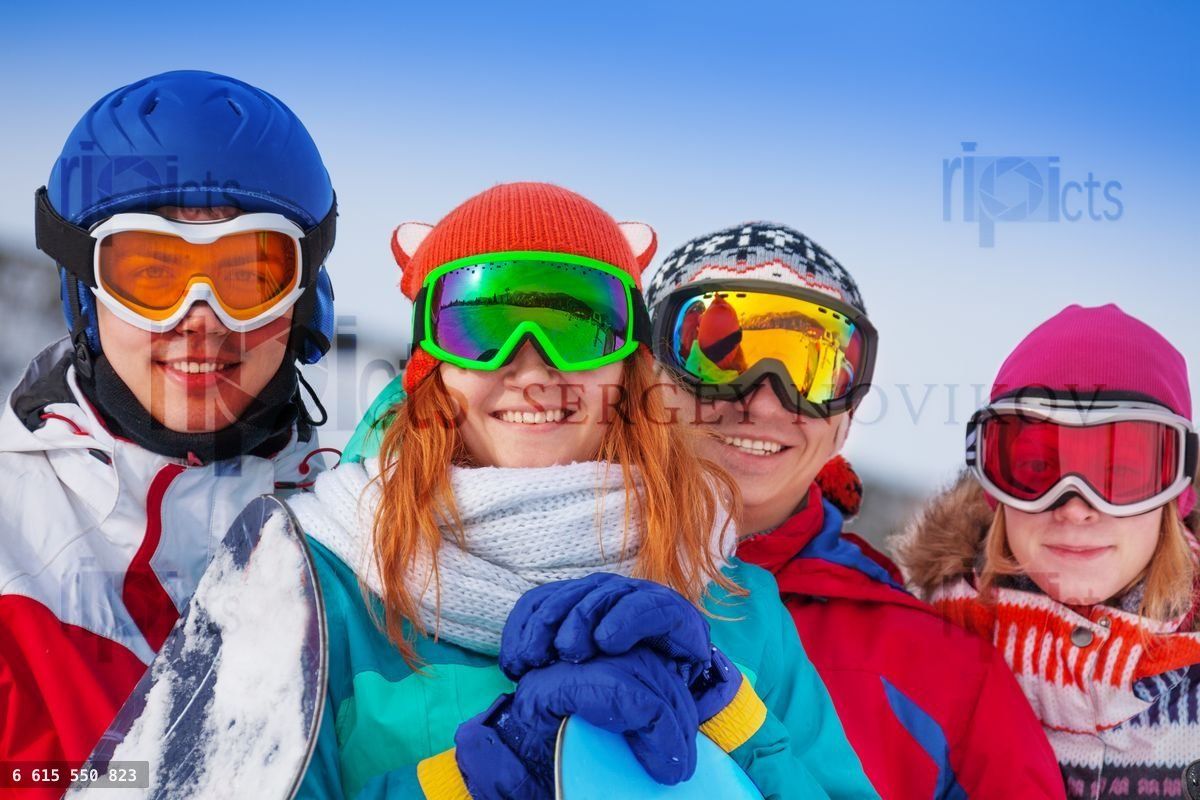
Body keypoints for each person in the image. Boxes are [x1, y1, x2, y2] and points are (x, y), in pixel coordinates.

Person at [287, 183, 876, 799]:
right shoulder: (320, 587)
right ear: (431, 366)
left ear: (632, 368)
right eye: (484, 325)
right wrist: (456, 788)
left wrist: (731, 721)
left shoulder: (735, 603)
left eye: (581, 326)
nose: (534, 369)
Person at [0, 70, 337, 789]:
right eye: (150, 274)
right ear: (83, 293)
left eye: (249, 275)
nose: (202, 316)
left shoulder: (355, 540)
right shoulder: (10, 533)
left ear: (304, 297)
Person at [645, 223, 1066, 798]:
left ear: (845, 418)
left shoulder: (942, 673)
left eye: (811, 369)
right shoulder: (516, 583)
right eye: (719, 356)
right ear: (648, 375)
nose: (763, 400)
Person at [898, 304, 1200, 799]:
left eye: (1122, 473)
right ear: (993, 483)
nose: (1077, 508)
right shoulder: (913, 663)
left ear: (1175, 489)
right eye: (1037, 465)